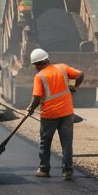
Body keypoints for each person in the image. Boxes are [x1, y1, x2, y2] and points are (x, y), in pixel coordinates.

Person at [25, 48, 83, 180]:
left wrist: (30, 108)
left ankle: (44, 169)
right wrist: (73, 87)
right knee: (67, 143)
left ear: (36, 64)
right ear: (47, 59)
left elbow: (37, 97)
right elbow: (80, 75)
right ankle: (67, 171)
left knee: (45, 142)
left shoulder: (39, 76)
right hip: (67, 113)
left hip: (49, 115)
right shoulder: (62, 68)